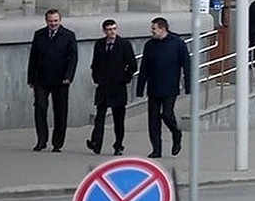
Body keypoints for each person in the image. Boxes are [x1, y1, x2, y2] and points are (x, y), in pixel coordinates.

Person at [135, 18, 191, 159]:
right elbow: (144, 68)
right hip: (153, 86)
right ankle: (156, 149)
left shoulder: (177, 43)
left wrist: (188, 85)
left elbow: (186, 65)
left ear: (162, 29)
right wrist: (140, 88)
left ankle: (176, 133)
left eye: (154, 29)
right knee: (153, 120)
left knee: (167, 114)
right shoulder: (150, 45)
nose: (151, 31)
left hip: (170, 86)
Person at [27, 9, 78, 152]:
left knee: (60, 111)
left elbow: (73, 58)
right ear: (46, 21)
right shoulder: (39, 35)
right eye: (50, 21)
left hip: (61, 80)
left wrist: (68, 76)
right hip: (41, 79)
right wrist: (31, 78)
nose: (53, 23)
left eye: (55, 21)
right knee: (40, 107)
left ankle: (57, 143)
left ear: (60, 20)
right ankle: (41, 140)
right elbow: (33, 58)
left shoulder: (68, 36)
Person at [86, 19, 137, 156]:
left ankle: (118, 145)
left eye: (114, 29)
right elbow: (95, 64)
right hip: (103, 86)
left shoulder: (124, 44)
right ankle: (96, 142)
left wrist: (124, 79)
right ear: (104, 31)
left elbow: (132, 65)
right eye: (109, 29)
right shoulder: (99, 44)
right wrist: (96, 78)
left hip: (118, 87)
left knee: (118, 119)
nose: (112, 32)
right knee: (100, 116)